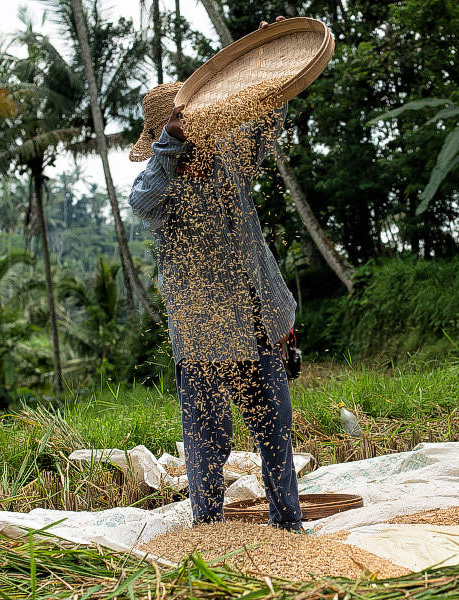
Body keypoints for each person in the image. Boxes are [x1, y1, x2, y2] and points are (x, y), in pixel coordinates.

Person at [127, 17, 305, 532]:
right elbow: (141, 201)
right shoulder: (160, 189)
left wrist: (269, 59)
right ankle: (207, 532)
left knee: (275, 432)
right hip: (203, 334)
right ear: (167, 142)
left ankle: (289, 527)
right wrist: (173, 145)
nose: (197, 148)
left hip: (257, 321)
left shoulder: (229, 157)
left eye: (198, 135)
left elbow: (267, 115)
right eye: (183, 140)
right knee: (207, 443)